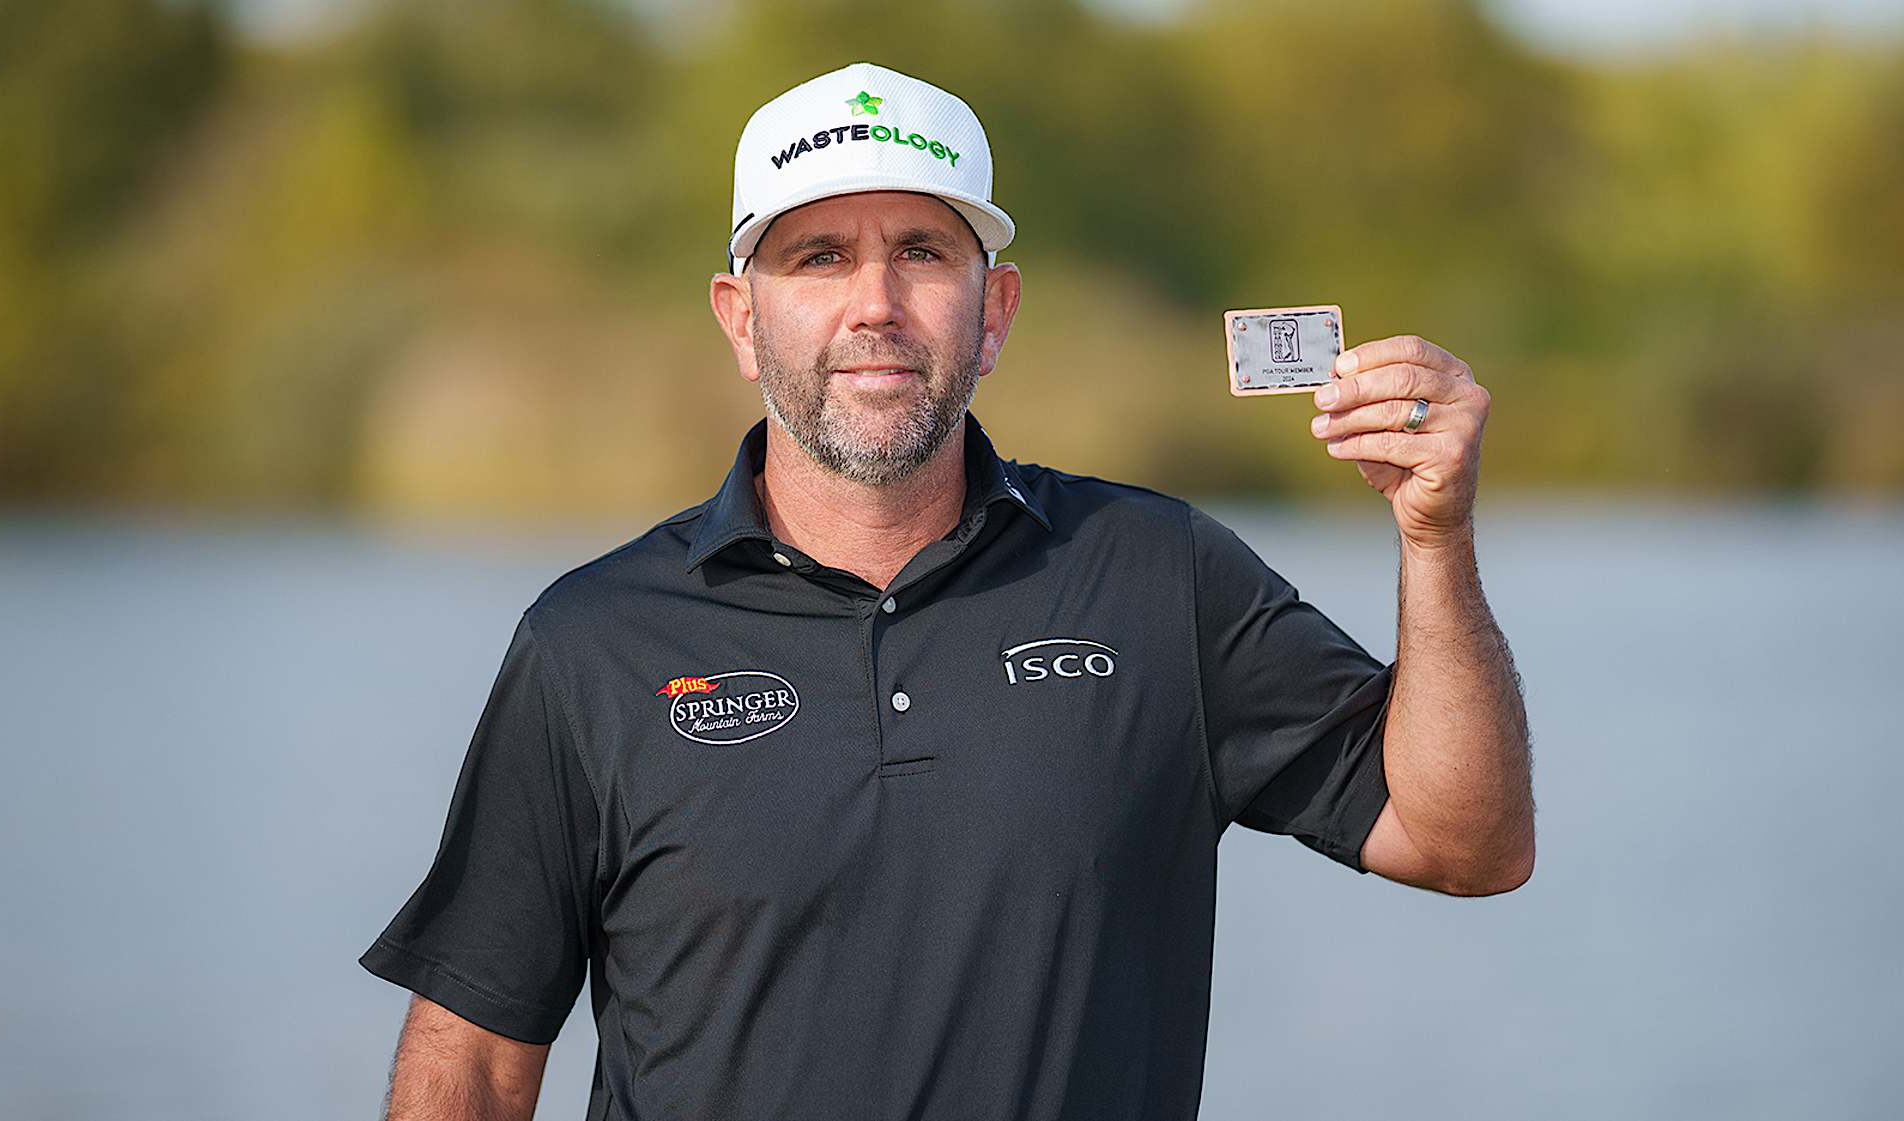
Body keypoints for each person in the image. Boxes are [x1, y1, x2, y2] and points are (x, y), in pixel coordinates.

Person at [359, 60, 1534, 1121]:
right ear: (741, 316)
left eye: (922, 252)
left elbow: (1466, 839)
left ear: (996, 313)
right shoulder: (593, 642)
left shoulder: (1157, 574)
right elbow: (471, 1059)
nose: (876, 303)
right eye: (818, 257)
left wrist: (1435, 537)